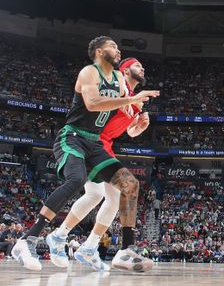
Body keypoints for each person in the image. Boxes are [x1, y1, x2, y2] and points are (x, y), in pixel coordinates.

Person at [11, 36, 159, 272]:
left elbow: (123, 113)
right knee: (80, 183)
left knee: (129, 185)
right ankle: (29, 240)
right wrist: (132, 100)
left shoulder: (120, 80)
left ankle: (125, 250)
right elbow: (93, 104)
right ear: (99, 51)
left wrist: (136, 126)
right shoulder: (89, 73)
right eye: (113, 47)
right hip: (74, 137)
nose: (118, 50)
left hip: (96, 145)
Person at [54, 57, 151, 271]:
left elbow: (129, 131)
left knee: (111, 198)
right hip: (90, 143)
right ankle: (63, 237)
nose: (142, 68)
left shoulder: (134, 101)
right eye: (137, 65)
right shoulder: (115, 88)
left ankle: (87, 246)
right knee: (97, 195)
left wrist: (138, 129)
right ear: (124, 71)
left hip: (105, 146)